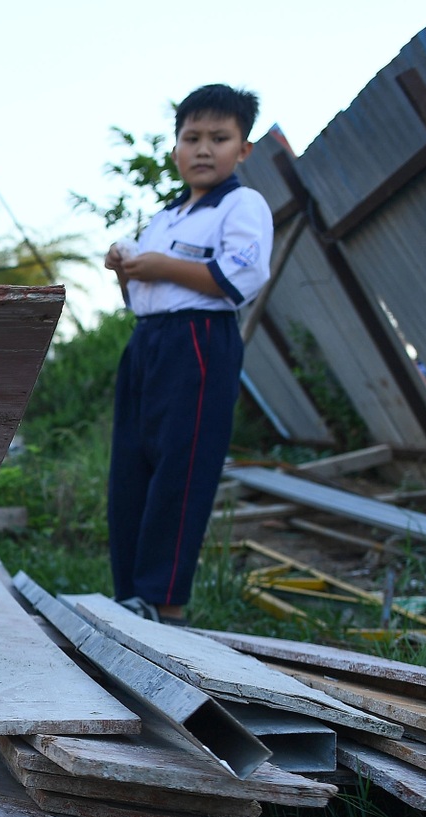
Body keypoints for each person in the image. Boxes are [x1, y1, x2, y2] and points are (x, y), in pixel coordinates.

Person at [104, 84, 274, 625]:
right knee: (133, 463)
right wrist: (125, 270)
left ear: (243, 149)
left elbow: (237, 279)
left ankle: (166, 599)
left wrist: (158, 267)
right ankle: (130, 592)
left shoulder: (242, 205)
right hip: (148, 341)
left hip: (199, 340)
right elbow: (144, 296)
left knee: (182, 464)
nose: (204, 149)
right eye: (192, 137)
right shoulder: (167, 217)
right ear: (175, 149)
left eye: (219, 138)